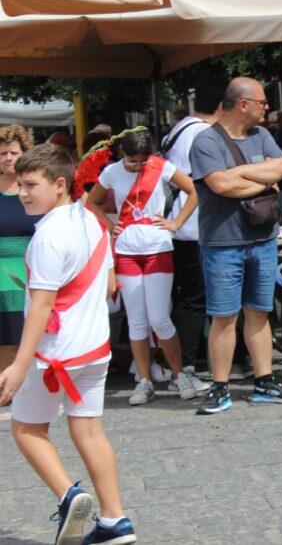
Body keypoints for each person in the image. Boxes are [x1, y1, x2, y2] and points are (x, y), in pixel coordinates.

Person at [0, 144, 136, 544]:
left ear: (59, 184)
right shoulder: (91, 219)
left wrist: (18, 365)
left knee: (26, 428)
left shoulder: (47, 235)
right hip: (94, 348)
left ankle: (68, 496)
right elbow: (107, 284)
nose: (23, 194)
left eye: (31, 185)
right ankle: (115, 520)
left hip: (53, 354)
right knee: (90, 431)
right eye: (21, 185)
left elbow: (42, 306)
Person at [188, 77, 282, 414]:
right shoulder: (206, 140)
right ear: (243, 104)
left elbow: (281, 168)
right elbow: (221, 185)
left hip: (263, 240)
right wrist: (262, 181)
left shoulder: (262, 135)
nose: (266, 108)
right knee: (224, 317)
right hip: (223, 243)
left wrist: (239, 173)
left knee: (259, 312)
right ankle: (220, 387)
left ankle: (265, 381)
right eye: (262, 102)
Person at [87, 131, 199, 406]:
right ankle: (144, 380)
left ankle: (179, 375)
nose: (138, 166)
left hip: (158, 248)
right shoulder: (112, 172)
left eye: (142, 161)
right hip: (126, 250)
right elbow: (91, 201)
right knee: (136, 319)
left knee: (159, 318)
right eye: (132, 161)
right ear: (121, 154)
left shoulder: (160, 166)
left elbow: (194, 190)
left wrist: (176, 223)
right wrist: (109, 224)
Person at [161, 83, 221, 393]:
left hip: (181, 226)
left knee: (188, 297)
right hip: (196, 225)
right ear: (221, 106)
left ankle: (183, 364)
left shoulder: (178, 129)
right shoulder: (203, 133)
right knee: (196, 299)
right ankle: (185, 366)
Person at [0, 125, 39, 375]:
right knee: (4, 339)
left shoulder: (38, 187)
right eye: (2, 153)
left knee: (29, 337)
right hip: (1, 277)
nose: (8, 158)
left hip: (32, 275)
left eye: (13, 152)